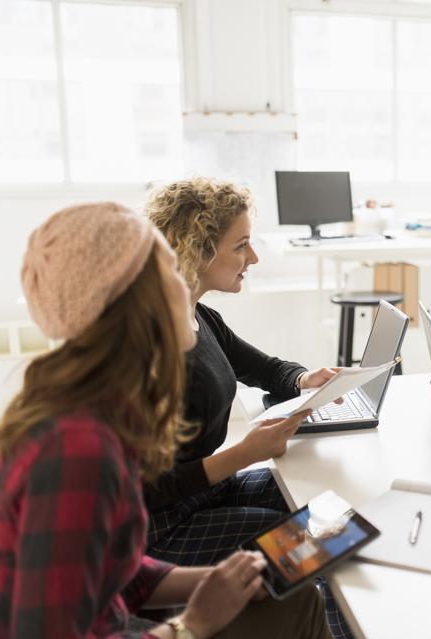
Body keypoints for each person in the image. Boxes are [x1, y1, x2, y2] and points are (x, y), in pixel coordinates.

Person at [0, 202, 331, 639]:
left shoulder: (102, 410)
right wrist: (191, 625)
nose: (183, 279)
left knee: (298, 592)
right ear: (134, 299)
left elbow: (114, 566)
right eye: (169, 267)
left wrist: (216, 582)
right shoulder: (78, 450)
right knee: (298, 595)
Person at [144, 177, 352, 638]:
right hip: (162, 529)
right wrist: (244, 454)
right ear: (196, 249)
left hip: (203, 495)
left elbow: (267, 368)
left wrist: (303, 380)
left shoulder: (200, 317)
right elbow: (143, 488)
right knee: (314, 537)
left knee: (335, 514)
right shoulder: (151, 346)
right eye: (241, 246)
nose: (253, 259)